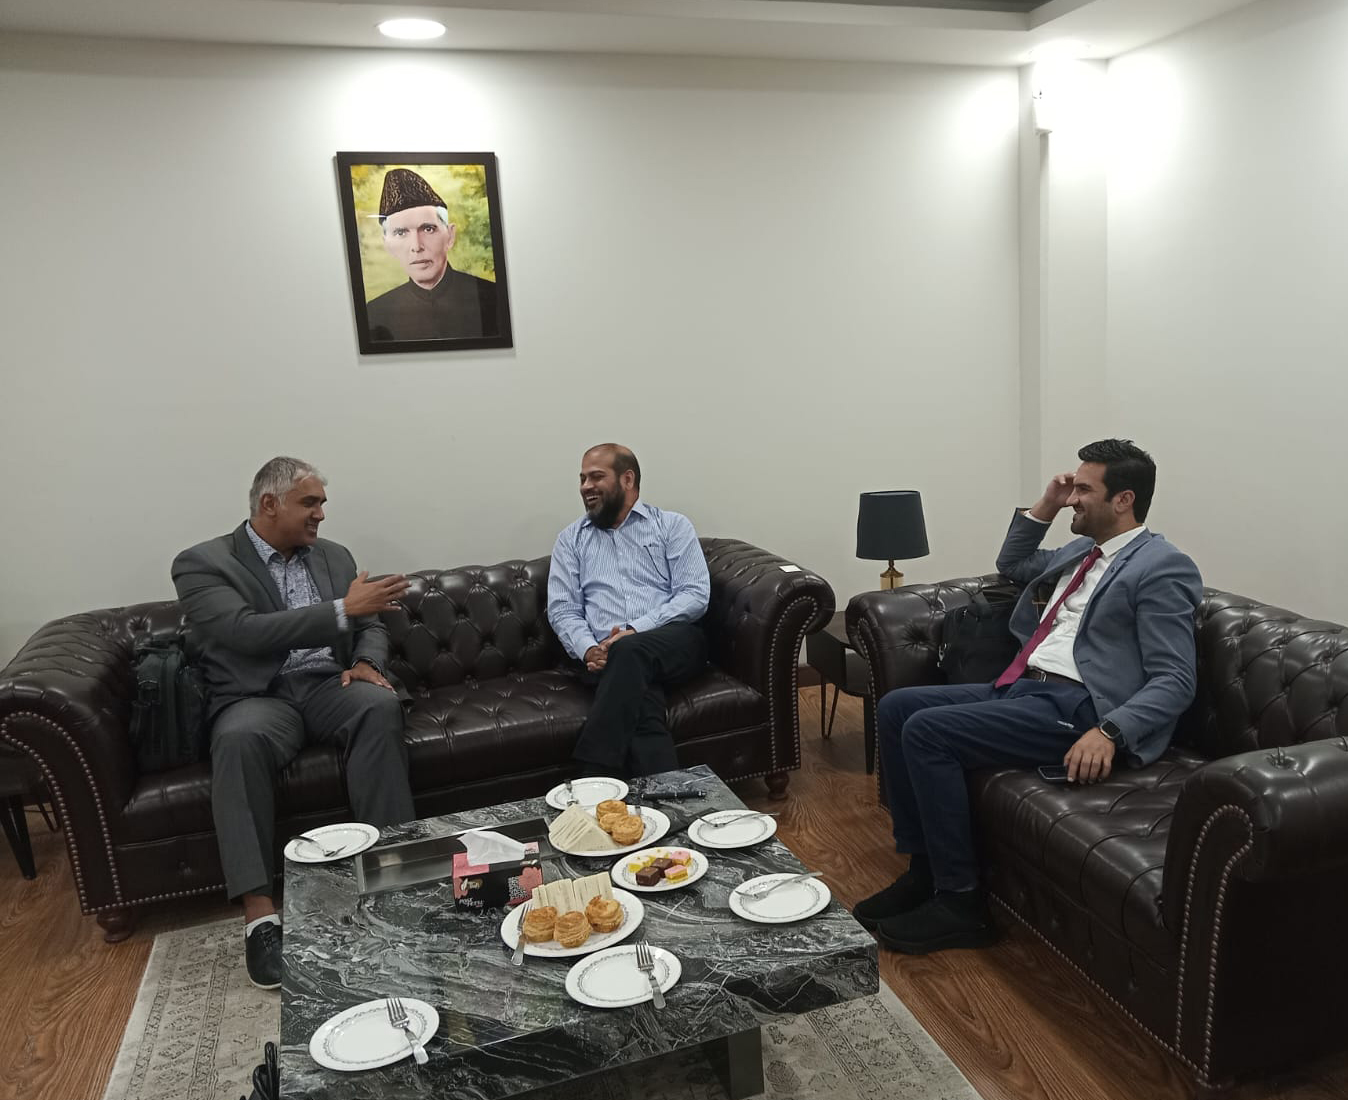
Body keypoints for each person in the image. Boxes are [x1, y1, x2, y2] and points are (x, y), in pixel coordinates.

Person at [853, 439, 1202, 955]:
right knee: (897, 707)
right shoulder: (1083, 552)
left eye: (1084, 490)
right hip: (1025, 687)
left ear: (1123, 500)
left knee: (927, 732)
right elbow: (1012, 562)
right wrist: (1046, 504)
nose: (1073, 498)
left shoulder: (1162, 566)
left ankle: (961, 902)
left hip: (1079, 707)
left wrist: (1109, 732)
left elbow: (1175, 678)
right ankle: (924, 868)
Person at [171, 457, 415, 990]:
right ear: (269, 504)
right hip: (258, 695)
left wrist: (366, 661)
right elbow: (244, 631)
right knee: (237, 739)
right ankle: (260, 916)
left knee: (378, 706)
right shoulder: (203, 563)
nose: (321, 514)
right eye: (310, 503)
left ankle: (391, 878)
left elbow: (371, 624)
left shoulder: (334, 555)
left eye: (321, 503)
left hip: (330, 684)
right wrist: (341, 611)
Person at [546, 444, 711, 778]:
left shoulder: (671, 526)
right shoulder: (570, 540)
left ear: (627, 479)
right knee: (642, 703)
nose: (586, 487)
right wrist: (589, 650)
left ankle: (592, 776)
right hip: (605, 658)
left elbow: (695, 594)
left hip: (673, 643)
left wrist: (635, 630)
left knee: (629, 650)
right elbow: (563, 609)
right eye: (582, 479)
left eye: (596, 477)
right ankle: (666, 795)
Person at [364, 167, 498, 342]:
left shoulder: (493, 297)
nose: (416, 246)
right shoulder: (375, 313)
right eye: (401, 233)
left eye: (428, 229)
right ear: (388, 245)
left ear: (450, 236)